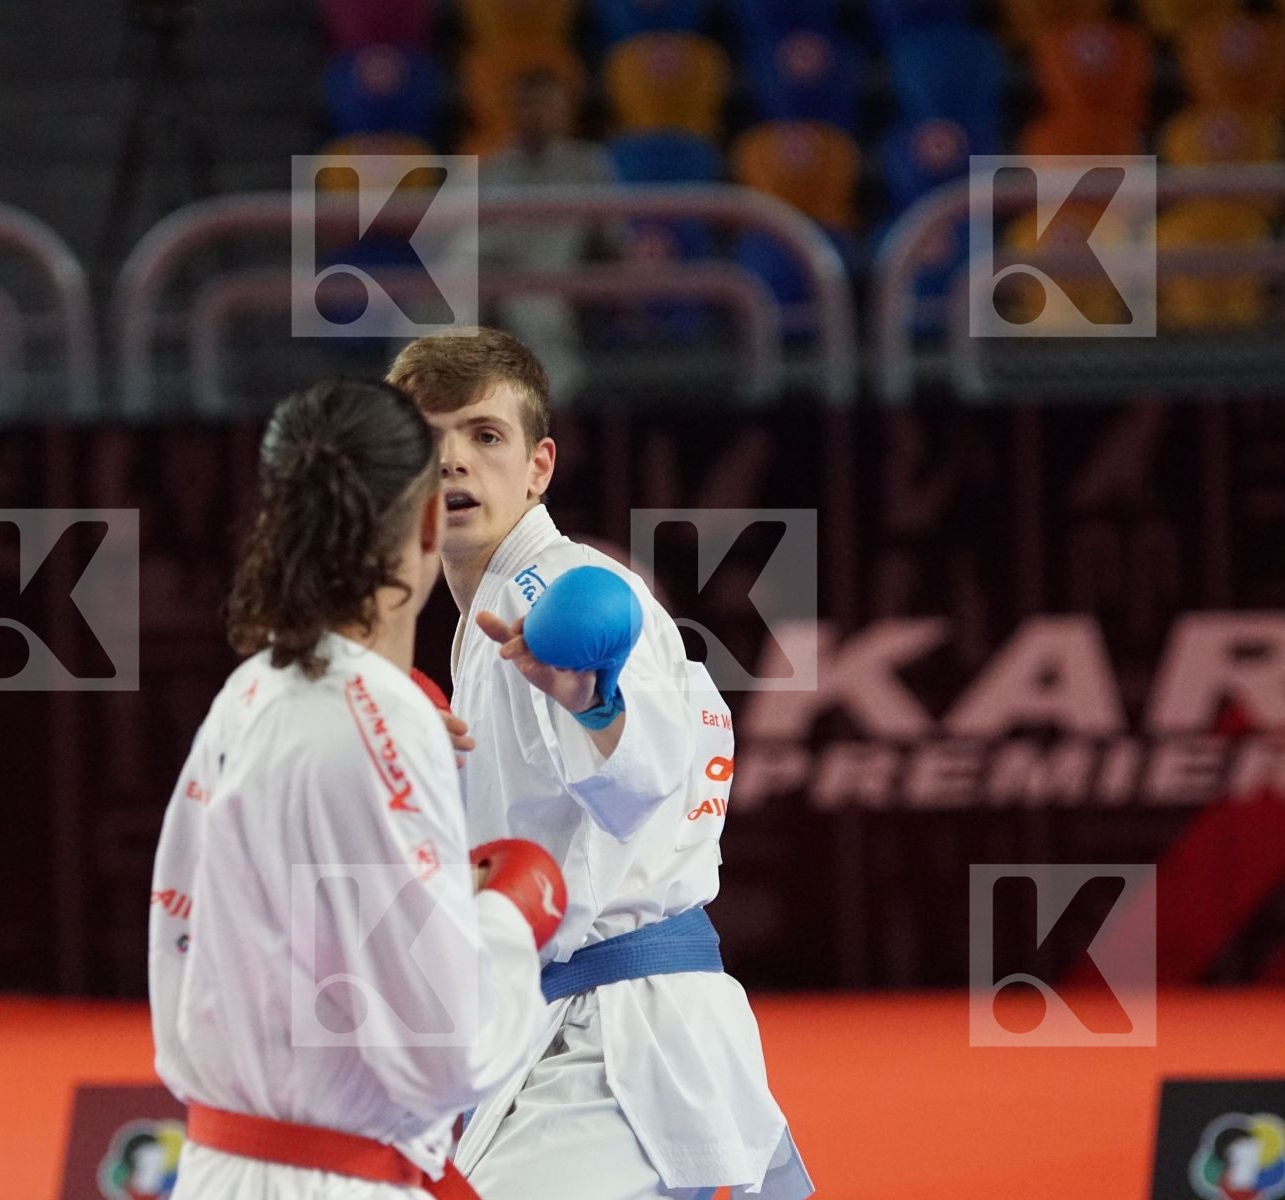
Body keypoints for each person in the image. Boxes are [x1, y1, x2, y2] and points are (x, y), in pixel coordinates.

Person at [386, 330, 814, 1200]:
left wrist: (595, 700)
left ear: (539, 466)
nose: (456, 463)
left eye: (485, 436)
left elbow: (649, 764)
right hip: (594, 1023)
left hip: (615, 1042)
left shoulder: (555, 590)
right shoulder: (485, 624)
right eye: (429, 444)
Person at [147, 377, 568, 1199]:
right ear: (424, 520)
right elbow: (446, 1054)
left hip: (221, 1168)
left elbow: (206, 945)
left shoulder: (250, 694)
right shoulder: (374, 719)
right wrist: (507, 916)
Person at [477, 68, 612, 405]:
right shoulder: (493, 169)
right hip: (491, 277)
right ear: (513, 111)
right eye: (528, 106)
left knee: (531, 311)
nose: (537, 115)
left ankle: (553, 421)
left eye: (548, 106)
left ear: (566, 112)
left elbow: (610, 238)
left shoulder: (588, 166)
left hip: (554, 281)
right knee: (428, 304)